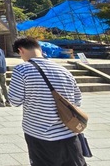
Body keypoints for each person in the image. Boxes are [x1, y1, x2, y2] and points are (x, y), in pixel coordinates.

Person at [8, 36, 86, 166]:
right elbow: (77, 100)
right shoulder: (63, 70)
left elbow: (15, 101)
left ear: (21, 50)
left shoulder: (22, 70)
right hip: (70, 132)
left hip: (40, 134)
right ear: (39, 48)